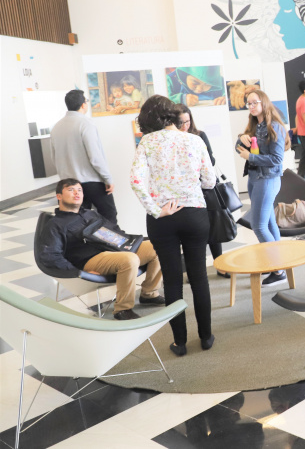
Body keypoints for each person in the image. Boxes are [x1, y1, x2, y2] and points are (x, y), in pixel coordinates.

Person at [131, 95, 216, 356]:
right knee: (199, 276)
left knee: (171, 279)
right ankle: (206, 336)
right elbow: (210, 181)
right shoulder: (194, 140)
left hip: (162, 219)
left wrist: (157, 209)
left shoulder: (146, 142)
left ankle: (180, 342)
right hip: (194, 214)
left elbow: (136, 181)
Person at [37, 179, 164, 320]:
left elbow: (114, 230)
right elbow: (50, 255)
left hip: (114, 250)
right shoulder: (55, 225)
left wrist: (128, 242)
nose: (76, 193)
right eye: (71, 190)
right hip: (90, 260)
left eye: (79, 190)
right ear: (59, 196)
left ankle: (149, 293)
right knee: (129, 259)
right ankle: (123, 309)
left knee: (158, 246)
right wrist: (78, 271)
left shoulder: (90, 214)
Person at [236, 89, 290, 285]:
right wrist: (240, 140)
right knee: (269, 223)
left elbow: (276, 159)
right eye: (248, 103)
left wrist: (250, 156)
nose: (251, 107)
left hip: (267, 179)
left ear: (264, 103)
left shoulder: (275, 127)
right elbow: (241, 148)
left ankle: (278, 269)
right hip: (254, 178)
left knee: (258, 226)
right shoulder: (253, 125)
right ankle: (280, 267)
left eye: (254, 103)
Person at [50, 89, 119, 225]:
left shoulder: (56, 127)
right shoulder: (85, 124)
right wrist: (107, 178)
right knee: (109, 215)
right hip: (92, 182)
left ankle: (84, 245)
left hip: (68, 184)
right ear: (83, 105)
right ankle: (111, 245)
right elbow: (95, 156)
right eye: (86, 101)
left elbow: (54, 157)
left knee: (77, 220)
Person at [176, 104, 228, 279]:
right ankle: (193, 271)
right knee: (192, 232)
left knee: (213, 226)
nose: (185, 126)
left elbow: (211, 160)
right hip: (186, 192)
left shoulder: (199, 135)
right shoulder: (172, 140)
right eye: (181, 122)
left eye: (188, 121)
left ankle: (220, 264)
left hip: (205, 187)